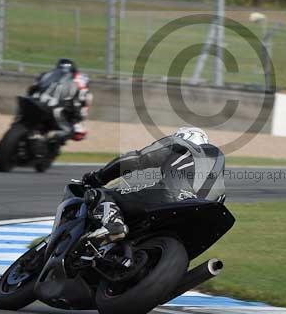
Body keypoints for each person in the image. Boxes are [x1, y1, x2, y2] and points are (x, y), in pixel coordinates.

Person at [80, 126, 225, 243]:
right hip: (202, 220)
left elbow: (137, 159)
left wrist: (99, 177)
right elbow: (220, 200)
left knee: (102, 194)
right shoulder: (217, 165)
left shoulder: (181, 143)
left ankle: (114, 225)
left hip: (171, 196)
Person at [28, 58, 92, 144]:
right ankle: (75, 121)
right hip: (44, 106)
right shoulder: (47, 75)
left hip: (50, 107)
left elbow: (32, 88)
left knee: (78, 133)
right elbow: (32, 88)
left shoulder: (47, 74)